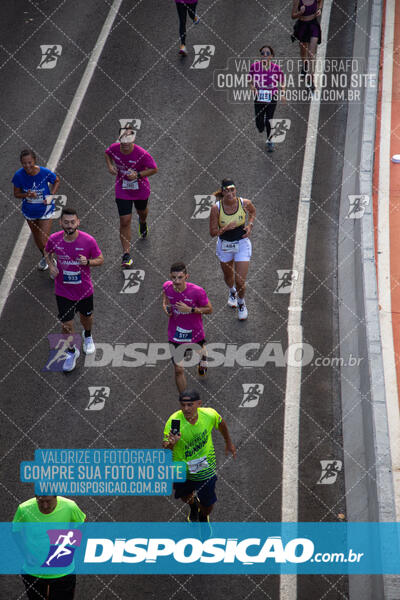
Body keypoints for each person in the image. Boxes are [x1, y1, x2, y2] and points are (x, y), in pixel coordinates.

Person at [44, 207, 104, 372]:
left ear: (78, 222)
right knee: (66, 325)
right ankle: (72, 352)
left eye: (72, 222)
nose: (69, 225)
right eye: (66, 222)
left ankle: (88, 335)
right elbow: (47, 251)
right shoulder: (54, 239)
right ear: (60, 223)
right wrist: (50, 266)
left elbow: (100, 259)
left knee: (86, 318)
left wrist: (88, 262)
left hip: (84, 290)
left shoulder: (88, 241)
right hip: (63, 291)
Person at [163, 389, 236, 523]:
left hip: (205, 467)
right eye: (183, 405)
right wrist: (172, 443)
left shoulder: (209, 415)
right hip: (182, 468)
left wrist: (229, 443)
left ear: (199, 404)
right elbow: (166, 447)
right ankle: (193, 506)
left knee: (208, 504)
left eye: (190, 405)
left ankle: (203, 516)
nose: (186, 409)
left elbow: (221, 423)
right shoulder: (174, 422)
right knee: (185, 496)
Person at [12, 495, 86, 600]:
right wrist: (26, 554)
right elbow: (15, 531)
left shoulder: (70, 506)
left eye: (48, 501)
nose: (45, 506)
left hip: (63, 571)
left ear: (56, 497)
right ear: (36, 497)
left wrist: (72, 546)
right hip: (34, 570)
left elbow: (82, 523)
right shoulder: (24, 509)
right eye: (40, 501)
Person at [105, 125, 158, 268]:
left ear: (133, 139)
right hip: (122, 189)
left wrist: (138, 175)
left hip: (140, 189)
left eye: (130, 138)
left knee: (142, 212)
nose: (126, 141)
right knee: (125, 220)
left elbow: (154, 169)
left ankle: (142, 222)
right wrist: (110, 166)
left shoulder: (142, 154)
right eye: (124, 138)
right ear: (119, 138)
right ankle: (126, 254)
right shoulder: (114, 148)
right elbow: (107, 153)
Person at [209, 179, 256, 320]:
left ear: (235, 190)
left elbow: (253, 213)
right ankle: (232, 291)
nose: (230, 193)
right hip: (225, 245)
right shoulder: (216, 208)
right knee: (228, 277)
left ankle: (241, 303)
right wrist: (224, 228)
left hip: (241, 243)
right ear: (222, 192)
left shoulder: (244, 203)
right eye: (227, 190)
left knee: (240, 280)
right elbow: (212, 232)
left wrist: (249, 226)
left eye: (232, 189)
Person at [162, 262, 212, 392]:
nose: (176, 281)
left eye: (180, 277)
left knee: (200, 351)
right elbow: (165, 300)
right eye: (173, 277)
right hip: (175, 334)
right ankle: (184, 399)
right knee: (178, 370)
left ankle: (203, 360)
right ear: (170, 276)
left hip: (194, 332)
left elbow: (209, 309)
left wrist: (190, 309)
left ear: (186, 277)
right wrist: (166, 309)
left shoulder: (197, 292)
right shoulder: (167, 287)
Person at [12, 149, 60, 270]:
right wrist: (26, 195)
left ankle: (51, 262)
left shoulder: (43, 172)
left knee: (44, 239)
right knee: (37, 237)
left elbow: (56, 181)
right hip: (30, 212)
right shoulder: (18, 175)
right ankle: (45, 256)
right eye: (24, 163)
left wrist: (51, 196)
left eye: (29, 162)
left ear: (35, 160)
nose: (27, 166)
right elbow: (16, 194)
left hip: (45, 210)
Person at [248, 46, 285, 151]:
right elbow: (250, 80)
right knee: (259, 122)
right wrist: (253, 87)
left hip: (272, 96)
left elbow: (282, 82)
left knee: (269, 119)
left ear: (272, 56)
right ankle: (261, 125)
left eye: (267, 53)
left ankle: (270, 141)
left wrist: (282, 93)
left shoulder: (276, 68)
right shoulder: (254, 67)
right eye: (263, 53)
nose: (265, 55)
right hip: (259, 95)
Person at [291, 0, 323, 90]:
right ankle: (304, 63)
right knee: (303, 51)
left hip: (313, 26)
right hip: (302, 27)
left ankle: (311, 79)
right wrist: (300, 12)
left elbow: (320, 2)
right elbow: (293, 16)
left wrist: (320, 9)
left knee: (311, 54)